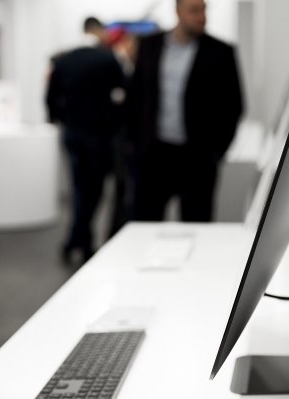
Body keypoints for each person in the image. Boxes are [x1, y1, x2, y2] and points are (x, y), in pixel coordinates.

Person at [127, 0, 243, 222]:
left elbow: (233, 105)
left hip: (197, 157)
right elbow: (136, 97)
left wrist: (216, 151)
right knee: (144, 221)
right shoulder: (149, 46)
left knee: (197, 222)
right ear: (178, 12)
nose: (202, 16)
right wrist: (134, 145)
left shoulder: (220, 51)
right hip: (154, 155)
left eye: (204, 10)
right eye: (194, 11)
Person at [46, 16, 126, 264]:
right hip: (99, 136)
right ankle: (82, 241)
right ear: (98, 31)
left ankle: (76, 240)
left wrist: (64, 120)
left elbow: (50, 98)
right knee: (94, 190)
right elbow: (123, 93)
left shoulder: (64, 59)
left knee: (80, 187)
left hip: (72, 133)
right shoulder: (107, 58)